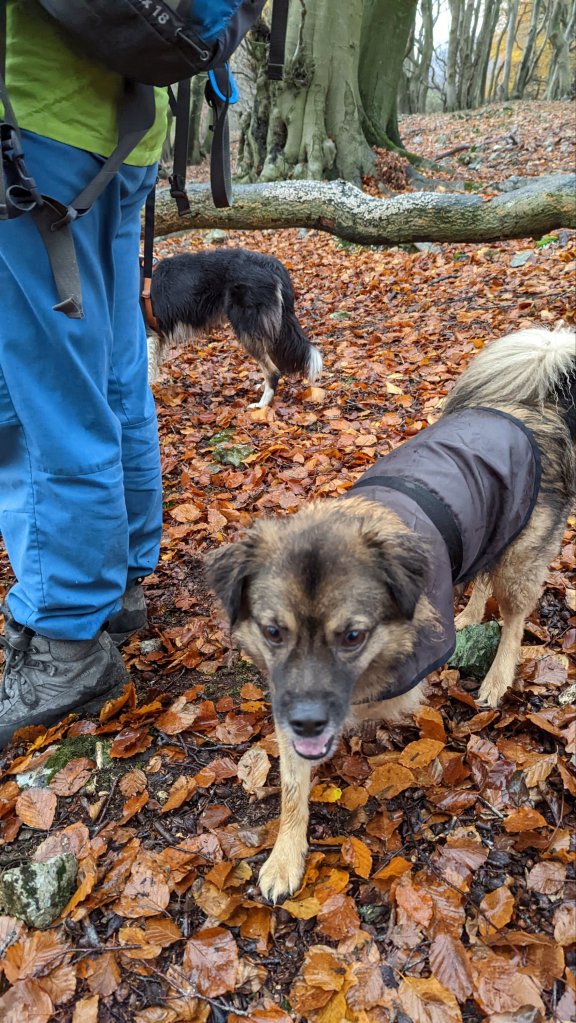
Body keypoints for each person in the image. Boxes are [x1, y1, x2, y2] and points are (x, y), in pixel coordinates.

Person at [0, 0, 169, 748]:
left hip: (31, 121)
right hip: (131, 128)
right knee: (113, 371)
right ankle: (119, 581)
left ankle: (68, 642)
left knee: (41, 396)